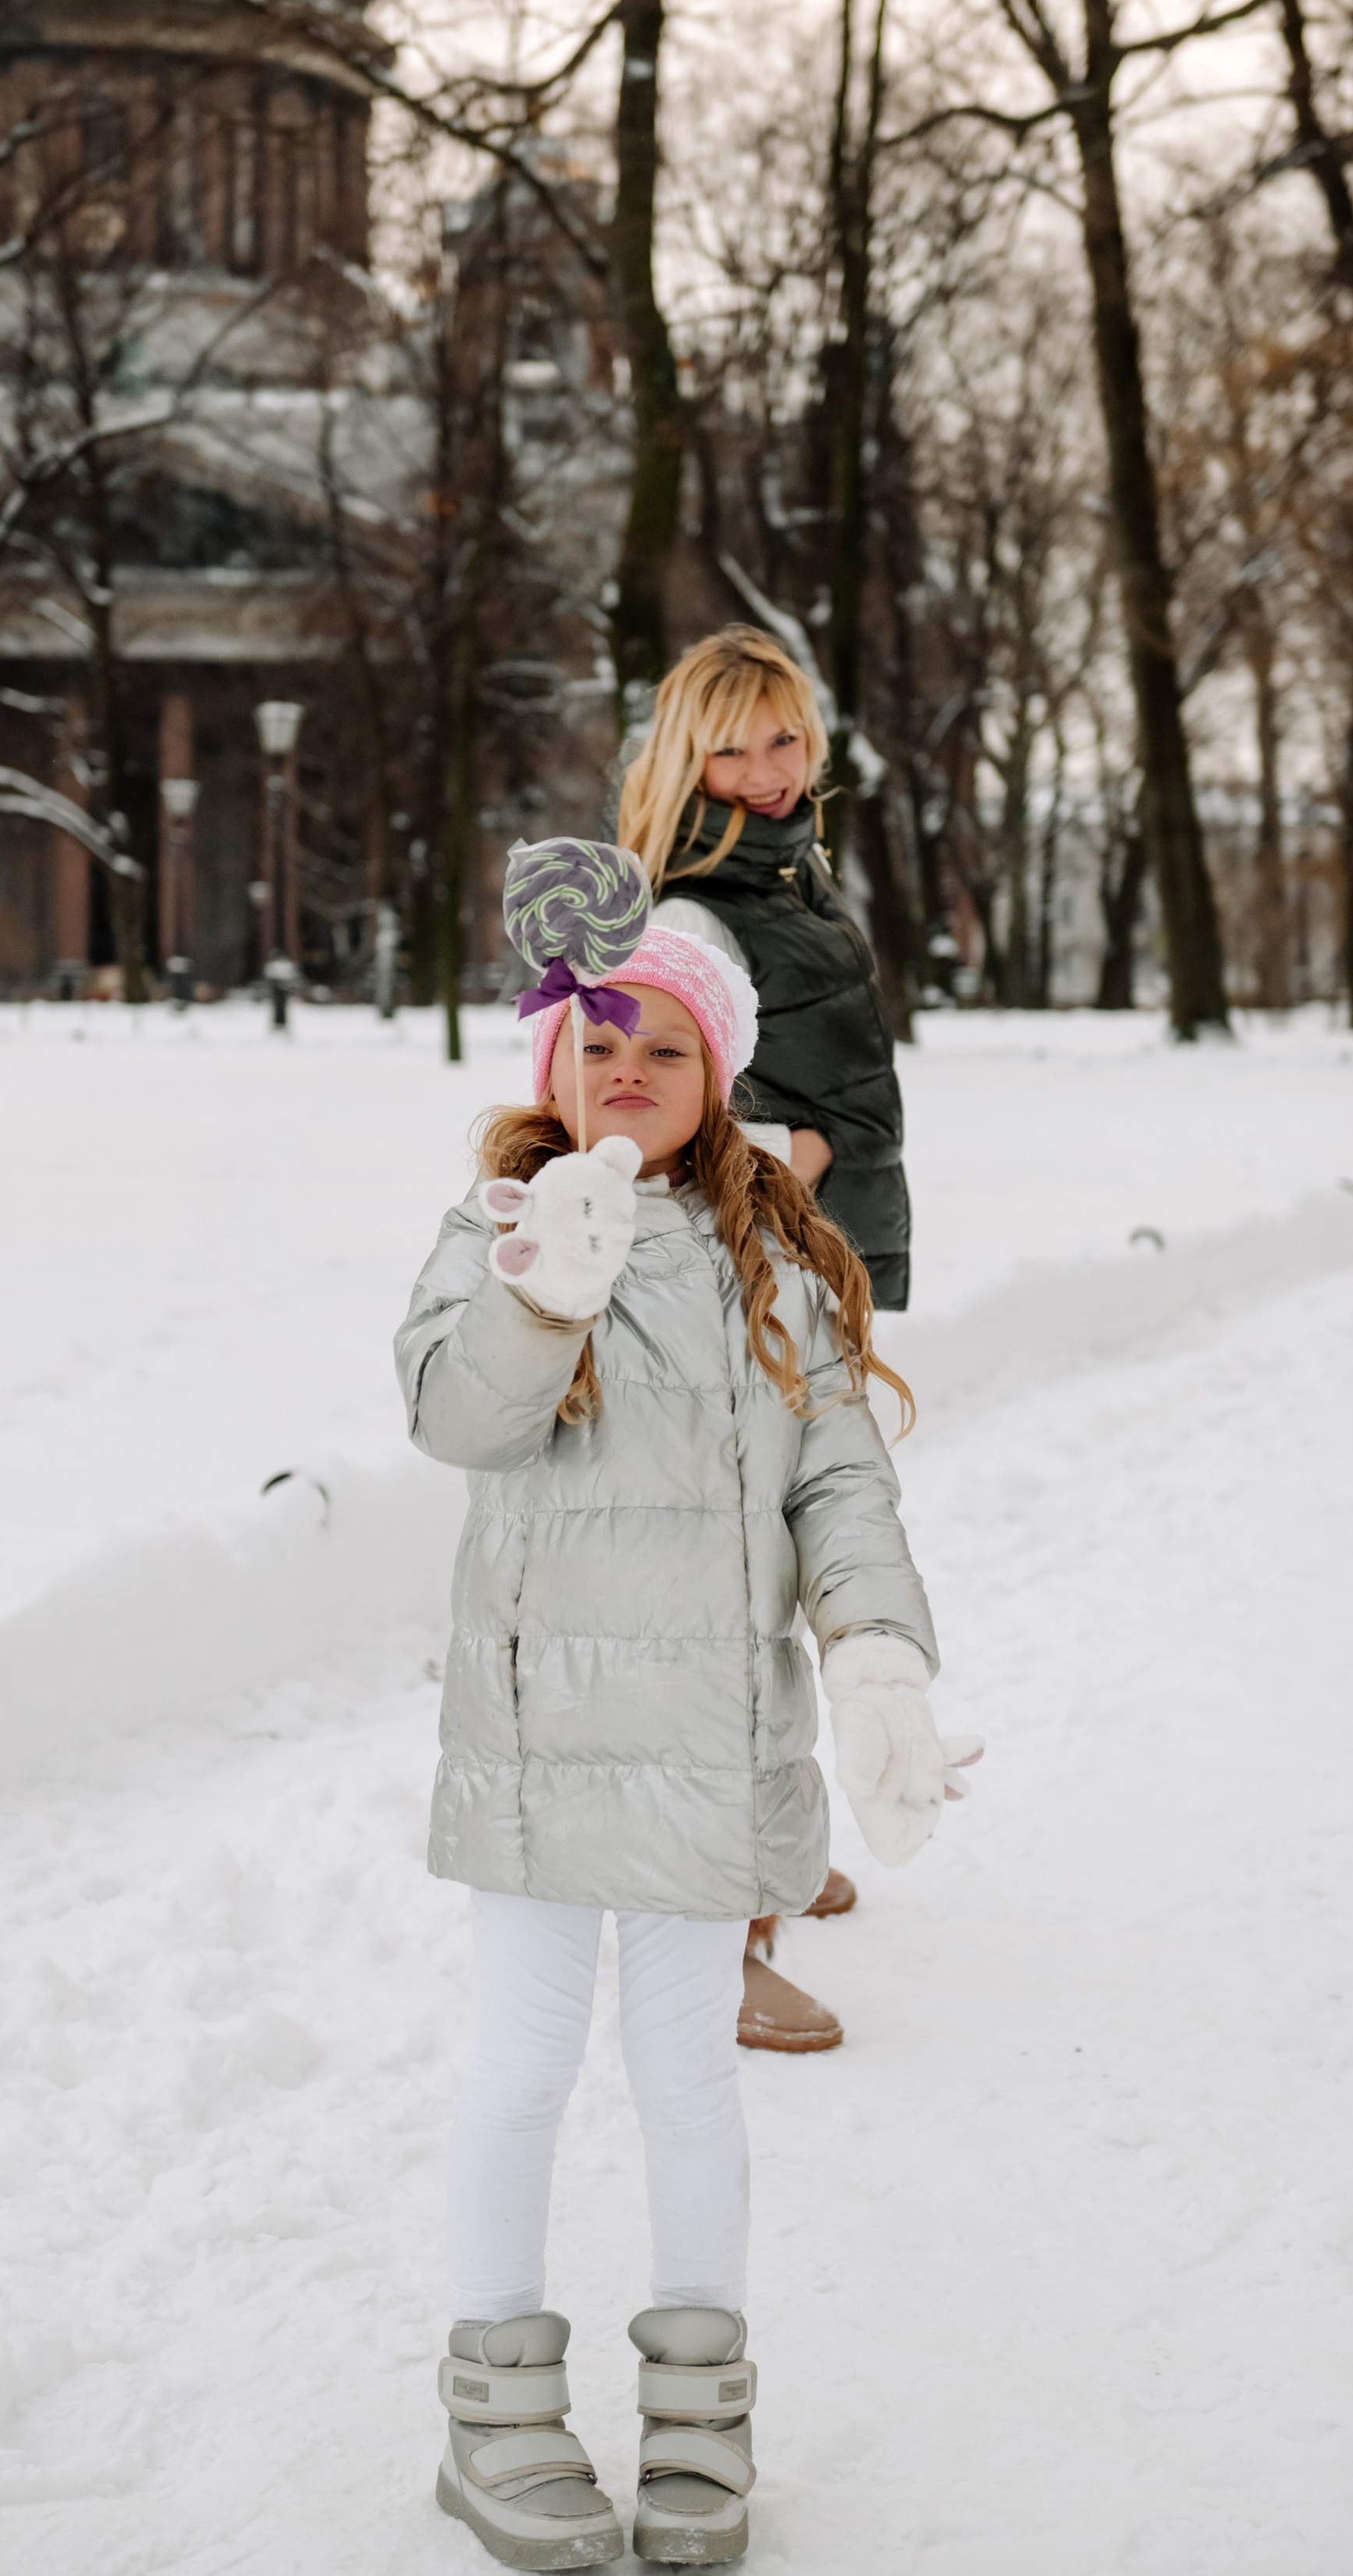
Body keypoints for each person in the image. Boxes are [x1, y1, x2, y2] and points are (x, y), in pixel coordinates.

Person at [397, 920, 956, 2570]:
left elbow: (838, 1481)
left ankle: (701, 2404)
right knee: (518, 2068)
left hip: (711, 1745)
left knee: (683, 2078)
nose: (623, 1071)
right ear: (547, 1068)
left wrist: (875, 1661)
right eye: (593, 1042)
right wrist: (539, 1302)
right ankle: (492, 2404)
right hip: (538, 1745)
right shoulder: (488, 1226)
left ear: (717, 1071)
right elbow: (453, 1416)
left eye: (661, 1045)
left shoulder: (775, 1258)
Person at [617, 624, 911, 2055]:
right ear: (686, 756)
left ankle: (772, 1852)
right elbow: (640, 1092)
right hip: (736, 1268)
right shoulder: (690, 909)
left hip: (799, 1257)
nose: (770, 768)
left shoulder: (781, 870)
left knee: (789, 1565)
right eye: (734, 743)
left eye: (787, 737)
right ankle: (719, 1934)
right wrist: (784, 1149)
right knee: (733, 1602)